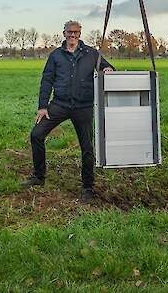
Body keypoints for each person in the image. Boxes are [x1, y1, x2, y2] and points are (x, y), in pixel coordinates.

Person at [23, 20, 113, 202]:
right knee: (36, 135)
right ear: (63, 33)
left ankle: (88, 187)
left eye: (76, 32)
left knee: (87, 147)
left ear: (80, 34)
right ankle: (39, 177)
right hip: (60, 105)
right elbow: (47, 80)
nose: (72, 35)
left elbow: (107, 67)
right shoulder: (56, 55)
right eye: (69, 32)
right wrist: (42, 106)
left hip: (83, 107)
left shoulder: (91, 54)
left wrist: (108, 68)